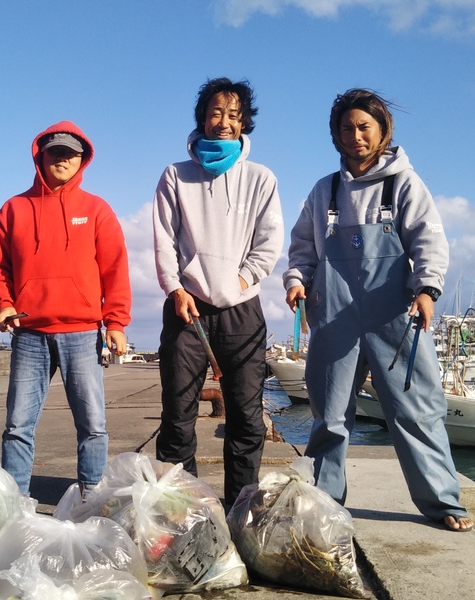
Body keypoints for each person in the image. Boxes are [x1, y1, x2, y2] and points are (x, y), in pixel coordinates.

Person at [282, 88, 473, 532]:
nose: (355, 136)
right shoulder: (323, 190)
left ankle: (442, 501)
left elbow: (429, 239)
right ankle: (324, 500)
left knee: (416, 411)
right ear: (335, 135)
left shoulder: (404, 182)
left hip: (396, 319)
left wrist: (427, 289)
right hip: (334, 317)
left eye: (364, 126)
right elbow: (302, 248)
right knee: (329, 416)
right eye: (346, 128)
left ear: (383, 130)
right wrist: (296, 282)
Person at [152, 78, 284, 505]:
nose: (224, 122)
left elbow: (268, 244)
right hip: (186, 309)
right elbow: (163, 240)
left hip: (243, 312)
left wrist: (240, 282)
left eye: (233, 114)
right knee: (177, 417)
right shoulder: (175, 175)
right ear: (202, 118)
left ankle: (240, 507)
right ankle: (184, 511)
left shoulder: (261, 178)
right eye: (216, 112)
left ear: (243, 122)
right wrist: (174, 287)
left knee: (247, 419)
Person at [0, 121, 132, 497]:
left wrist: (115, 322)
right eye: (55, 151)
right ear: (41, 155)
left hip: (82, 333)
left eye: (70, 153)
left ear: (82, 160)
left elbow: (115, 269)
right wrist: (3, 303)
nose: (62, 159)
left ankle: (90, 495)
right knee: (18, 424)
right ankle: (14, 501)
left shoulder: (97, 210)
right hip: (29, 332)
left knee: (93, 423)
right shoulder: (13, 209)